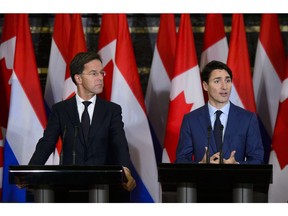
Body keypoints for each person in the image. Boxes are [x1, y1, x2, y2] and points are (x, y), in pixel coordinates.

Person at [28, 51, 136, 201]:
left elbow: (119, 143)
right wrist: (30, 171)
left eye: (101, 73)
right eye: (93, 73)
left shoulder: (112, 110)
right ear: (78, 78)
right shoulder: (61, 110)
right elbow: (47, 143)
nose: (100, 78)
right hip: (68, 189)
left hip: (103, 189)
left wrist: (126, 170)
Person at [175, 60, 264, 165]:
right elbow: (181, 160)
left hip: (234, 180)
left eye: (227, 80)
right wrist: (200, 165)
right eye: (217, 81)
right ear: (205, 86)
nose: (224, 87)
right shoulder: (191, 120)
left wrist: (237, 165)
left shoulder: (248, 119)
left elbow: (258, 159)